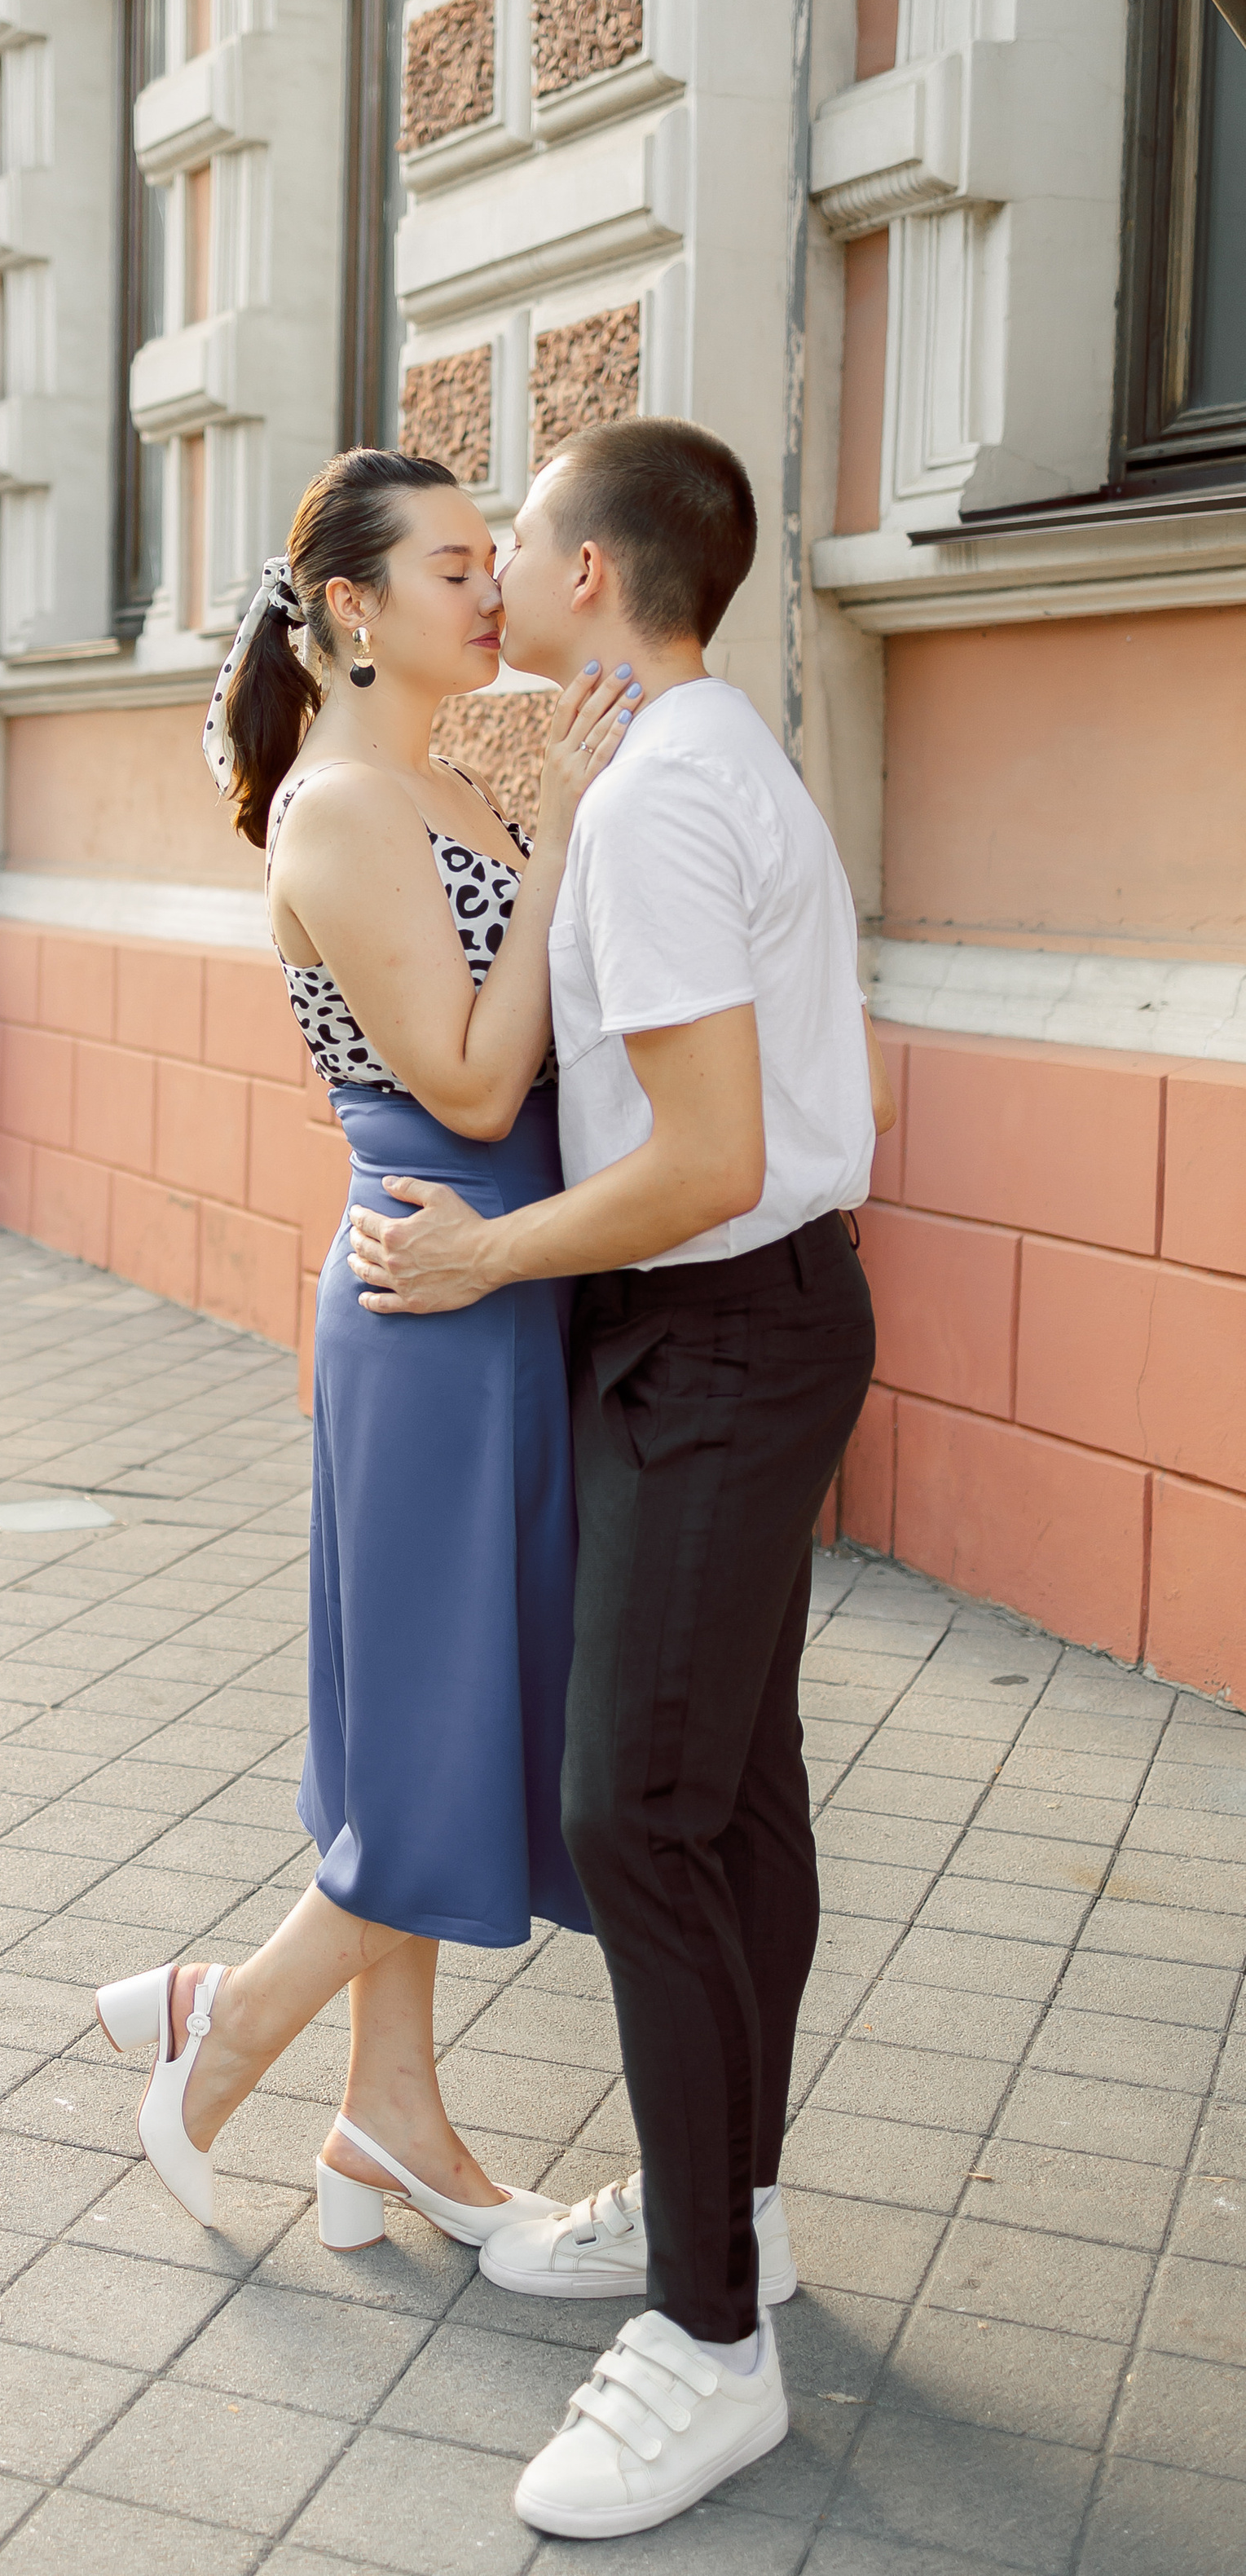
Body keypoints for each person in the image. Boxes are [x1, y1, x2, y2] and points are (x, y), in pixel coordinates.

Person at [349, 416, 894, 2543]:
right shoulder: (687, 765)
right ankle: (723, 2223)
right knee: (730, 1788)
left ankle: (708, 2344)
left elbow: (707, 1160)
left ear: (591, 578)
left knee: (634, 1810)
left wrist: (484, 1249)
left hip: (722, 1334)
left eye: (518, 550)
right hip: (729, 1330)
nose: (494, 587)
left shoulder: (668, 797)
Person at [92, 446, 635, 2252]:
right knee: (440, 1739)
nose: (494, 593)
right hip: (432, 1295)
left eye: (496, 563)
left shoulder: (430, 782)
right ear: (353, 610)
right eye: (456, 569)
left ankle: (383, 2123)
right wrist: (563, 824)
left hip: (496, 1281)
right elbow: (474, 1082)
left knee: (432, 1720)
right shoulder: (343, 807)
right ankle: (222, 2026)